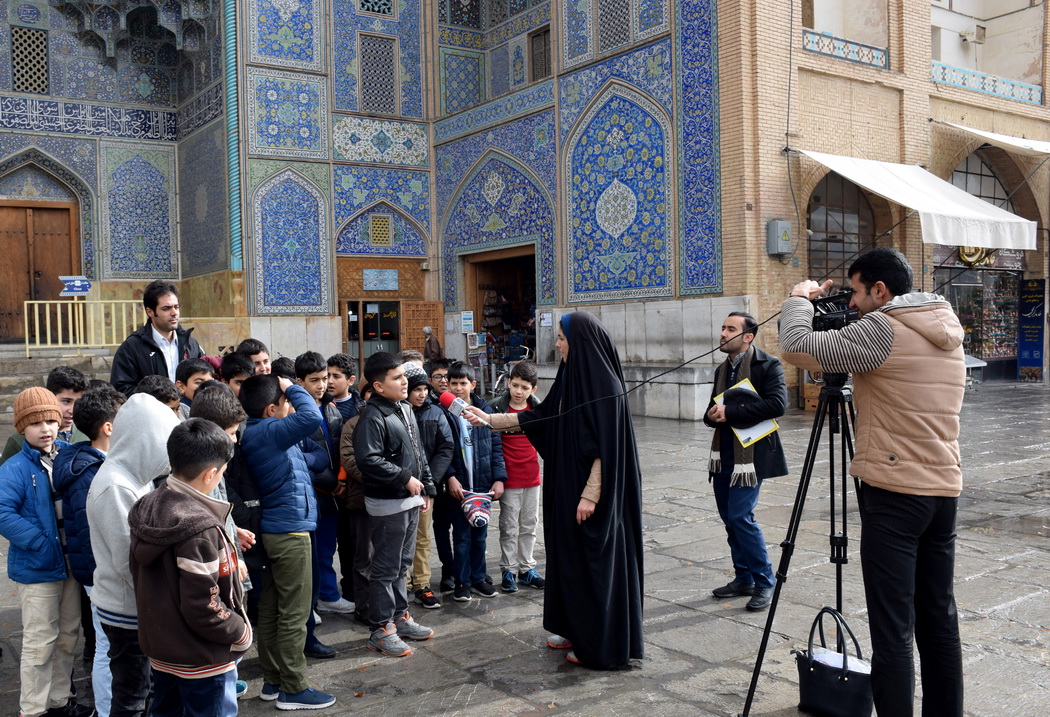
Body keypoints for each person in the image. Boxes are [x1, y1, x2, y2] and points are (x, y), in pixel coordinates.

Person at [779, 247, 965, 716]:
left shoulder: (885, 328)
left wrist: (799, 299)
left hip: (895, 492)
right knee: (938, 621)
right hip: (942, 491)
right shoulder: (943, 325)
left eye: (858, 293)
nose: (854, 304)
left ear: (881, 290)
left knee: (893, 630)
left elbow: (797, 347)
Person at [466, 311, 643, 669]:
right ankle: (571, 626)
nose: (557, 343)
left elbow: (607, 453)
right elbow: (541, 417)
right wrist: (488, 419)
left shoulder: (605, 387)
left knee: (591, 563)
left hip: (591, 497)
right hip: (565, 487)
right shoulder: (570, 379)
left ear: (579, 342)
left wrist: (591, 495)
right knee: (567, 558)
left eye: (562, 338)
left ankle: (598, 643)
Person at [128, 419, 252, 716]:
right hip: (202, 656)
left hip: (163, 647)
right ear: (211, 473)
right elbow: (204, 606)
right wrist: (240, 632)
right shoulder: (199, 529)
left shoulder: (147, 505)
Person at [238, 374, 335, 710]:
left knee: (273, 608)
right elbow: (312, 417)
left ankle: (273, 680)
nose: (291, 405)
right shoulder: (267, 430)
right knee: (293, 611)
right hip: (290, 532)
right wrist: (290, 384)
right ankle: (293, 688)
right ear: (270, 409)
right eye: (285, 402)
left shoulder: (260, 431)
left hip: (280, 529)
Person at [0, 387, 94, 717]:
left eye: (50, 421)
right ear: (21, 428)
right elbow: (3, 512)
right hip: (38, 567)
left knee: (68, 636)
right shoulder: (13, 468)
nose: (45, 429)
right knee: (39, 643)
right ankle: (33, 709)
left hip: (71, 564)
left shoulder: (70, 454)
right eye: (36, 423)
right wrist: (40, 542)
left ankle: (59, 701)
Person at [86, 391, 181, 716]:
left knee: (146, 691)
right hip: (127, 610)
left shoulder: (136, 477)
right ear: (145, 441)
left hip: (141, 605)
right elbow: (131, 560)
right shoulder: (116, 485)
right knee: (132, 696)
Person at [703, 312, 787, 612]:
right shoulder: (721, 369)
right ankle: (744, 578)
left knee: (741, 517)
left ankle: (765, 582)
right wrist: (713, 415)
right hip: (724, 454)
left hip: (750, 458)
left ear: (748, 336)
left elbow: (778, 404)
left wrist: (732, 413)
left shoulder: (768, 365)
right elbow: (711, 412)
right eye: (722, 327)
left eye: (730, 329)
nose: (723, 333)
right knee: (729, 518)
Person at [353, 353, 435, 657]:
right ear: (378, 385)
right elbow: (368, 459)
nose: (405, 382)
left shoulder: (404, 409)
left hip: (410, 499)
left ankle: (401, 616)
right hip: (389, 504)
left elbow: (419, 451)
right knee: (386, 569)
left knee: (403, 565)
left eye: (404, 376)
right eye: (397, 378)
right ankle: (382, 627)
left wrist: (425, 486)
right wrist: (404, 478)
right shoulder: (373, 416)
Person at [52, 385, 126, 717]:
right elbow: (93, 533)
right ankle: (108, 709)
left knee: (108, 644)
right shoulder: (90, 473)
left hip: (102, 572)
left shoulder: (95, 464)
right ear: (108, 427)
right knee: (107, 647)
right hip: (101, 574)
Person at [445, 361, 506, 602]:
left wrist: (499, 478)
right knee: (461, 537)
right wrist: (449, 476)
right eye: (454, 383)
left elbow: (497, 448)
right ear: (447, 385)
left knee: (480, 535)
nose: (459, 388)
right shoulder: (444, 413)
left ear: (473, 384)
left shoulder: (485, 411)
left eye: (463, 383)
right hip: (459, 486)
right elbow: (440, 450)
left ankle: (479, 577)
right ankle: (462, 581)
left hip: (482, 485)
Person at [490, 361, 545, 593]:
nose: (519, 391)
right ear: (508, 383)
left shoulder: (538, 409)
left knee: (529, 524)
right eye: (515, 385)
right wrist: (497, 476)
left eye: (524, 387)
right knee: (509, 525)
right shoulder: (495, 409)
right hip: (508, 477)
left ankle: (526, 568)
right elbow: (492, 445)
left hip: (532, 476)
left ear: (533, 389)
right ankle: (509, 570)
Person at [403, 363, 454, 609]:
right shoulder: (397, 413)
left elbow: (446, 447)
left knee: (423, 537)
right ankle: (402, 584)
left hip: (426, 488)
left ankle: (422, 584)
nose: (422, 394)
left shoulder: (436, 413)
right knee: (402, 539)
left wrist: (428, 481)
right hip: (401, 487)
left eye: (424, 388)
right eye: (417, 389)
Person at [110, 280, 204, 396]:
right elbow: (121, 389)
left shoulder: (190, 343)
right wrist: (159, 399)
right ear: (150, 312)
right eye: (166, 308)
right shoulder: (132, 347)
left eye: (176, 307)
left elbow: (205, 380)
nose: (174, 313)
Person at [1, 366, 89, 465]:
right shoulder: (18, 441)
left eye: (78, 402)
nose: (72, 410)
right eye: (66, 401)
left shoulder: (87, 431)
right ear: (50, 397)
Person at [338, 383, 374, 624]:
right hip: (362, 499)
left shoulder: (398, 419)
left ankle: (389, 606)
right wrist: (383, 477)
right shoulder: (352, 425)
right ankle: (365, 607)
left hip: (392, 498)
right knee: (364, 557)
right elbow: (349, 461)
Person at [327, 353, 363, 420]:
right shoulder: (317, 403)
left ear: (351, 380)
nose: (330, 381)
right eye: (327, 376)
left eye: (336, 376)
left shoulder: (360, 409)